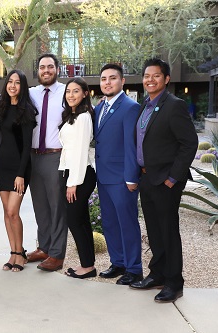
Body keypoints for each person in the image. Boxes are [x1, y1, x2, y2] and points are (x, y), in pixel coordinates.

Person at [129, 58, 197, 303]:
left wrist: (172, 177)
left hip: (165, 181)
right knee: (154, 231)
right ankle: (157, 274)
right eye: (147, 76)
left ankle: (173, 283)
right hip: (147, 178)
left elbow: (189, 143)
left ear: (166, 79)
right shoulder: (144, 105)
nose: (150, 80)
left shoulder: (174, 105)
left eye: (156, 76)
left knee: (168, 232)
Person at [94, 63, 143, 285]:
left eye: (112, 78)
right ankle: (118, 262)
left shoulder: (130, 107)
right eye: (104, 79)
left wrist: (131, 177)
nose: (107, 82)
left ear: (122, 81)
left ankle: (134, 268)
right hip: (103, 177)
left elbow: (132, 146)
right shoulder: (98, 108)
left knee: (127, 223)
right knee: (110, 223)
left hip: (123, 178)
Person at [27, 53, 68, 272]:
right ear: (38, 71)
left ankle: (57, 254)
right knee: (40, 205)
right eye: (42, 67)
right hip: (34, 156)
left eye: (50, 67)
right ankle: (44, 247)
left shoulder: (66, 91)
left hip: (56, 156)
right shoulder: (30, 93)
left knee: (57, 206)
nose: (46, 70)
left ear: (57, 69)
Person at [0, 69, 37, 272]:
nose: (12, 85)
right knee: (6, 212)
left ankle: (20, 254)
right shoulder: (1, 107)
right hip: (1, 165)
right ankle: (13, 253)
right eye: (10, 81)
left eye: (17, 82)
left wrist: (21, 173)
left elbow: (27, 146)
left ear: (22, 86)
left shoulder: (26, 110)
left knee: (13, 211)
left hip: (19, 168)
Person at [58, 78, 97, 279]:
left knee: (74, 220)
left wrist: (72, 183)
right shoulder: (72, 115)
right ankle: (88, 265)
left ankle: (87, 267)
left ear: (85, 94)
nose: (71, 95)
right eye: (68, 91)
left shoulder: (83, 117)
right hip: (70, 172)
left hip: (80, 174)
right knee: (80, 220)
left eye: (75, 91)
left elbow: (81, 152)